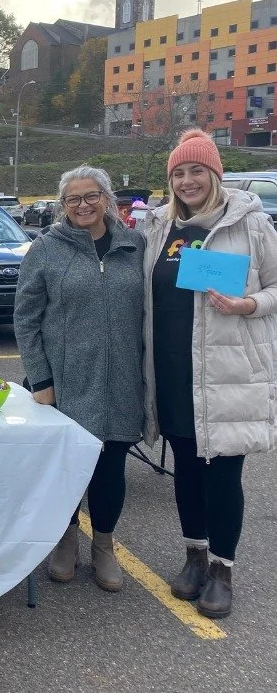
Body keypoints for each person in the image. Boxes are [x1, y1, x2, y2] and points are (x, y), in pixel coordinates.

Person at [142, 129, 277, 619]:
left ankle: (222, 569)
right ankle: (194, 555)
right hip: (173, 369)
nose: (187, 181)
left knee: (222, 473)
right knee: (186, 467)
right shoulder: (159, 227)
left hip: (227, 371)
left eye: (197, 170)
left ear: (215, 174)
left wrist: (248, 304)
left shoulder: (249, 223)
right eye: (179, 173)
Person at [14, 165, 145, 592]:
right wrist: (41, 381)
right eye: (73, 199)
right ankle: (66, 539)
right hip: (66, 381)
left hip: (124, 379)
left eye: (91, 196)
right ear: (63, 205)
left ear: (107, 199)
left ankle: (103, 546)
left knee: (111, 466)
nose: (83, 205)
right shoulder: (46, 249)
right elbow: (26, 319)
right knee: (67, 466)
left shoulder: (135, 245)